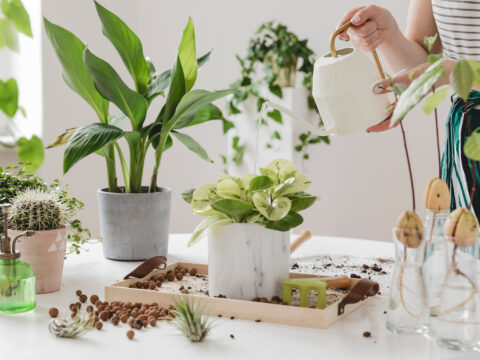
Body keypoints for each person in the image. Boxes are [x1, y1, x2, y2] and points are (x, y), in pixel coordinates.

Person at [337, 1, 480, 213]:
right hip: (469, 135)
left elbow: (440, 71)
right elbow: (421, 63)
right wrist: (387, 35)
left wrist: (450, 72)